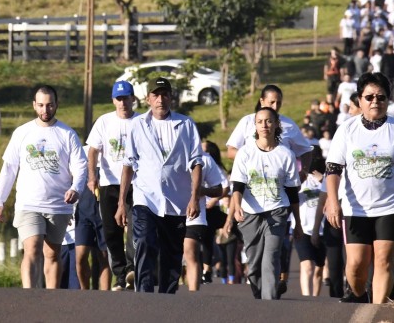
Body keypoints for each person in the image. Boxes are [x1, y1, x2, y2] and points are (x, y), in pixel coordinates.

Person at [324, 71, 394, 304]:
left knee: (383, 260)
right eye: (369, 97)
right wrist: (332, 201)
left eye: (381, 97)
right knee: (356, 265)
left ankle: (376, 311)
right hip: (355, 208)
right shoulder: (347, 130)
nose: (375, 102)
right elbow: (332, 169)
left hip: (391, 206)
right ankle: (359, 294)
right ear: (359, 100)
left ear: (388, 100)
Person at [115, 77, 203, 295]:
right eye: (155, 95)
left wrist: (194, 197)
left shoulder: (186, 124)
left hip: (176, 200)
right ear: (148, 99)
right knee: (144, 240)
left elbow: (196, 163)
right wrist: (120, 203)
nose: (160, 99)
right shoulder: (138, 125)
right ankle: (144, 295)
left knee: (172, 254)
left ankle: (166, 299)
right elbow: (128, 165)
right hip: (146, 198)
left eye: (164, 94)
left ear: (171, 98)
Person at [0, 84, 86, 289]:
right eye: (41, 105)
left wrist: (76, 189)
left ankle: (51, 300)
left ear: (56, 105)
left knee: (52, 253)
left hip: (58, 204)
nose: (46, 110)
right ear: (34, 105)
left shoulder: (67, 134)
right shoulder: (22, 132)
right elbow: (9, 169)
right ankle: (30, 295)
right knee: (32, 248)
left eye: (50, 105)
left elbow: (80, 167)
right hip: (29, 203)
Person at [224, 107, 302, 300]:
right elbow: (238, 185)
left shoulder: (286, 154)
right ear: (255, 126)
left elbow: (292, 192)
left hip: (277, 211)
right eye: (260, 121)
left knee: (271, 258)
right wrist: (237, 207)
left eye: (268, 121)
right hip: (251, 213)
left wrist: (298, 223)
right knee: (254, 263)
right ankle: (264, 293)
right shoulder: (245, 153)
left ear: (276, 124)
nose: (264, 125)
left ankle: (269, 302)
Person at [85, 80, 137, 291]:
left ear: (134, 99)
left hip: (137, 184)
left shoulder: (142, 121)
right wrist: (92, 176)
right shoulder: (104, 122)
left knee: (135, 226)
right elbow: (93, 150)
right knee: (111, 231)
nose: (123, 103)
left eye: (126, 98)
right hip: (109, 183)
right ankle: (120, 274)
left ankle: (133, 268)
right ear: (113, 101)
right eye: (119, 99)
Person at [182, 140, 227, 292]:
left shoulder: (205, 160)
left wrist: (202, 191)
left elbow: (219, 189)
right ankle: (168, 292)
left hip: (195, 213)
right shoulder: (167, 156)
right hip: (169, 212)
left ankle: (193, 294)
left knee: (190, 252)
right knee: (172, 254)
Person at [298, 156, 326, 297]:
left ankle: (315, 298)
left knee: (319, 269)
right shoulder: (302, 180)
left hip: (323, 230)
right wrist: (300, 179)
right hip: (303, 229)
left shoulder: (326, 180)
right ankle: (306, 297)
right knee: (307, 265)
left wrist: (323, 180)